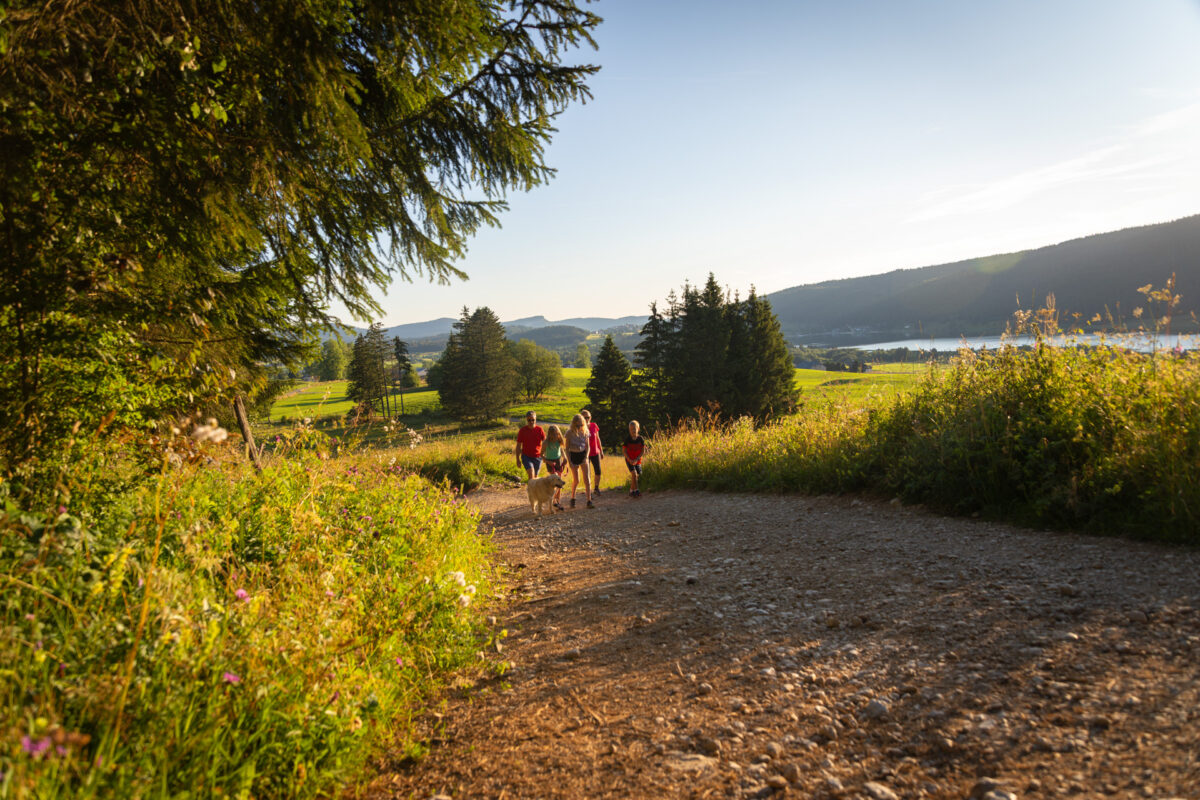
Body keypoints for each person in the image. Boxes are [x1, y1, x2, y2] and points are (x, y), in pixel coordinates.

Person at [565, 413, 594, 508]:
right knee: (576, 480)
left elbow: (588, 446)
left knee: (587, 479)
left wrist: (586, 456)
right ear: (573, 424)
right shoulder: (569, 433)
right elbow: (567, 448)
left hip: (583, 455)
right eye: (577, 425)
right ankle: (573, 498)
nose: (579, 427)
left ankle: (589, 500)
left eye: (581, 425)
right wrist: (569, 462)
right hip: (573, 455)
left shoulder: (585, 431)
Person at [514, 411, 545, 480]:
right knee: (531, 474)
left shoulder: (540, 430)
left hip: (538, 457)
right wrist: (517, 459)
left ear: (535, 419)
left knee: (535, 478)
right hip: (526, 456)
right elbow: (518, 446)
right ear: (526, 420)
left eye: (533, 420)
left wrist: (545, 455)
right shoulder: (522, 430)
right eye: (529, 420)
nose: (531, 422)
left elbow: (545, 443)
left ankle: (532, 490)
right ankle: (530, 490)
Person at [543, 424, 567, 510]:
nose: (554, 436)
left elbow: (562, 450)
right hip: (550, 462)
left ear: (558, 433)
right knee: (555, 480)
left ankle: (557, 500)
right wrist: (547, 461)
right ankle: (553, 500)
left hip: (558, 461)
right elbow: (540, 454)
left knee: (559, 481)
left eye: (556, 434)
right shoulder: (546, 442)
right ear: (549, 434)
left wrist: (565, 458)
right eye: (552, 434)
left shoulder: (559, 441)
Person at [580, 408, 604, 495]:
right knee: (587, 474)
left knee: (598, 471)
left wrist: (601, 451)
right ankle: (589, 491)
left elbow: (598, 438)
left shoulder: (594, 425)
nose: (586, 419)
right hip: (585, 453)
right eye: (584, 417)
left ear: (590, 417)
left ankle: (596, 488)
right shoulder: (580, 428)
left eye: (588, 417)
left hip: (595, 452)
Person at [622, 420, 645, 498]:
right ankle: (637, 491)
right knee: (634, 473)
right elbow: (624, 451)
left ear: (638, 429)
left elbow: (643, 450)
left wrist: (637, 458)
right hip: (629, 459)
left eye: (634, 429)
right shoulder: (627, 439)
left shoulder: (640, 439)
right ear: (629, 430)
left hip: (637, 460)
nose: (633, 431)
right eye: (631, 429)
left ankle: (631, 491)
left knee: (637, 475)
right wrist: (629, 459)